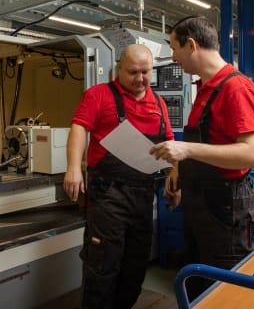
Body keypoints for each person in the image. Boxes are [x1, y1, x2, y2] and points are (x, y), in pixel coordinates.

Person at [150, 16, 254, 300]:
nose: (173, 56)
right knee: (200, 288)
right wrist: (179, 170)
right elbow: (207, 142)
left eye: (173, 48)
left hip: (226, 209)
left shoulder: (236, 88)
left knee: (223, 294)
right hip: (201, 204)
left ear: (191, 45)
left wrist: (186, 151)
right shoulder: (205, 87)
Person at [64, 44, 176, 309]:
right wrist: (73, 167)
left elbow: (169, 143)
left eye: (145, 72)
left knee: (135, 268)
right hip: (108, 197)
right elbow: (79, 128)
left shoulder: (159, 103)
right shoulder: (98, 95)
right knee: (103, 267)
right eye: (133, 72)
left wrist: (175, 177)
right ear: (118, 70)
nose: (140, 78)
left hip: (143, 196)